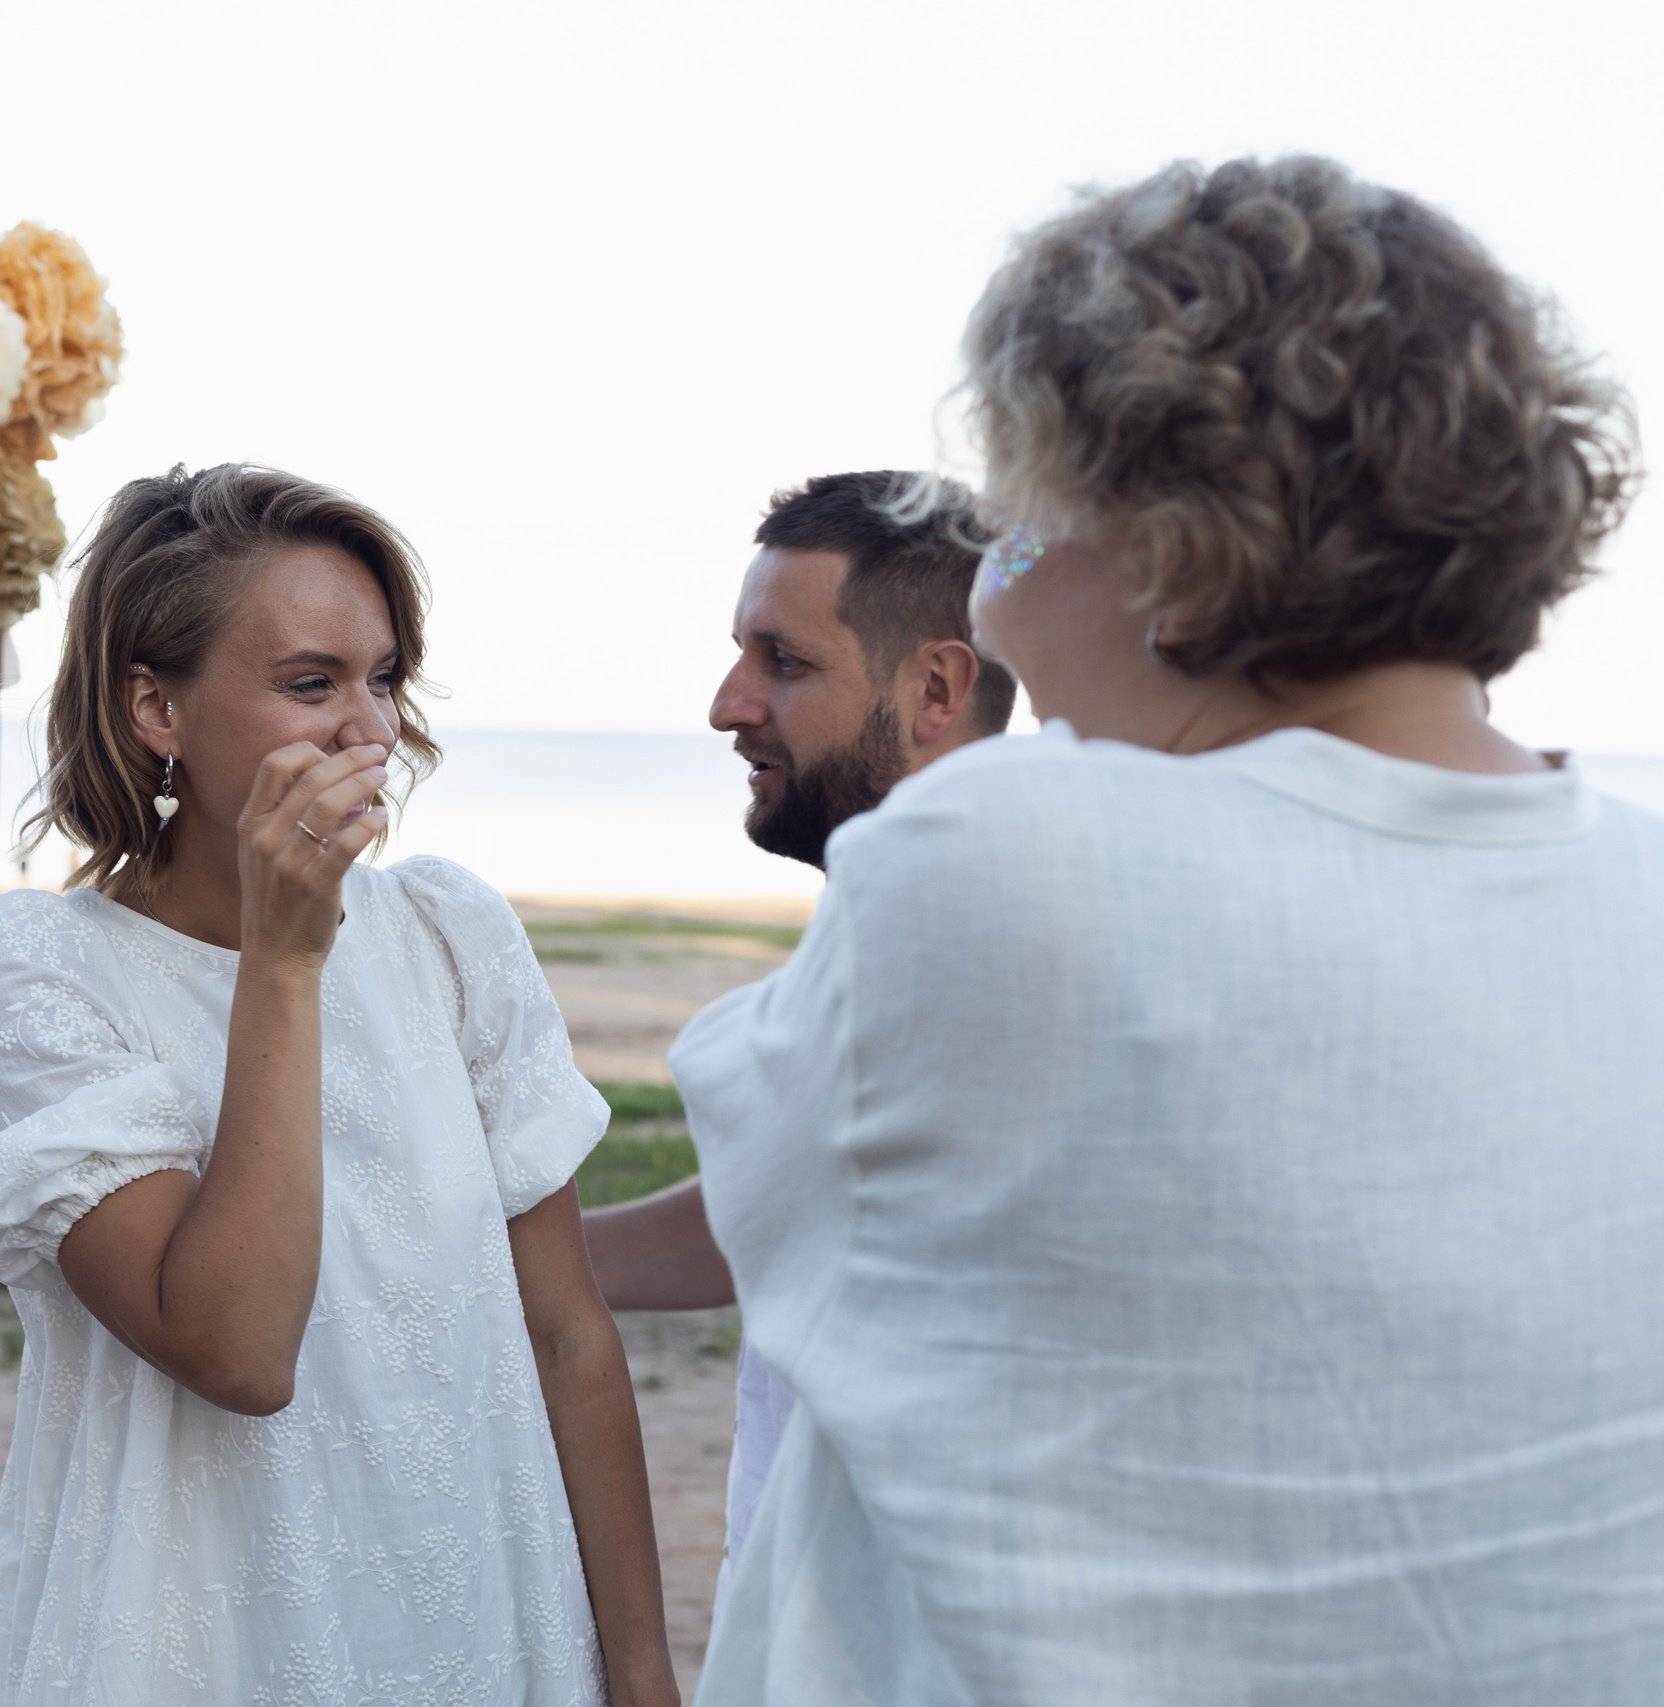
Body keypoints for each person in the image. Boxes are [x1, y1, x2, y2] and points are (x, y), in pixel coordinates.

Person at [683, 155, 1662, 1705]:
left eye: (1021, 523)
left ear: (1165, 538)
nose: (996, 603)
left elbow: (775, 1168)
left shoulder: (1017, 858)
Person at [0, 464, 678, 1706]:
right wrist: (283, 964)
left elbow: (567, 1336)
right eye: (308, 684)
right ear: (154, 707)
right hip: (196, 1643)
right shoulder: (37, 974)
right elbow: (236, 1350)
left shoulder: (451, 935)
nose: (369, 730)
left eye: (382, 678)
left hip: (488, 1627)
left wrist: (645, 1683)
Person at [578, 471, 1013, 1614]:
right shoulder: (928, 908)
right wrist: (495, 1257)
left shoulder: (973, 932)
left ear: (936, 685)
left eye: (785, 659)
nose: (729, 704)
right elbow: (797, 1199)